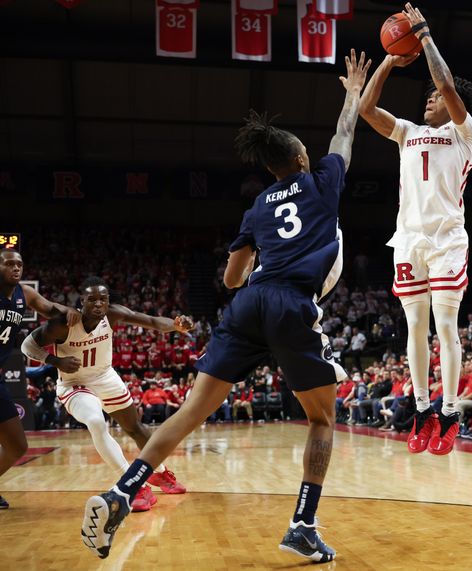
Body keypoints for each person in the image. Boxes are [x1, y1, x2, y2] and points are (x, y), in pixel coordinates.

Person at [80, 50, 370, 563]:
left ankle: (119, 493)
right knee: (322, 420)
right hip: (290, 301)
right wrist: (351, 95)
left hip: (249, 302)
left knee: (192, 410)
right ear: (301, 160)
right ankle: (302, 525)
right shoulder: (323, 182)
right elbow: (344, 138)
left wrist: (256, 270)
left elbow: (232, 278)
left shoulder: (257, 207)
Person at [359, 2, 472, 456]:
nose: (429, 98)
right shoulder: (407, 131)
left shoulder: (462, 132)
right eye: (427, 98)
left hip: (448, 238)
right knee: (414, 327)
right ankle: (423, 408)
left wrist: (425, 35)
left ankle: (451, 413)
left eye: (433, 98)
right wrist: (390, 60)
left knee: (445, 327)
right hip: (409, 238)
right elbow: (367, 107)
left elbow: (447, 83)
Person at [21, 276, 192, 512]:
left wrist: (175, 325)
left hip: (105, 377)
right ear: (82, 301)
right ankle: (132, 485)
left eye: (103, 299)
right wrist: (55, 360)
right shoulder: (64, 323)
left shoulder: (113, 314)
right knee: (95, 421)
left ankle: (159, 473)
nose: (98, 304)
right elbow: (27, 345)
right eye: (92, 299)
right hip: (74, 383)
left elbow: (151, 320)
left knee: (136, 428)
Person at [0, 248, 80, 509]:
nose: (15, 268)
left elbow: (50, 308)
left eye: (19, 264)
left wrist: (68, 310)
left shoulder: (26, 293)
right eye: (9, 264)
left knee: (17, 445)